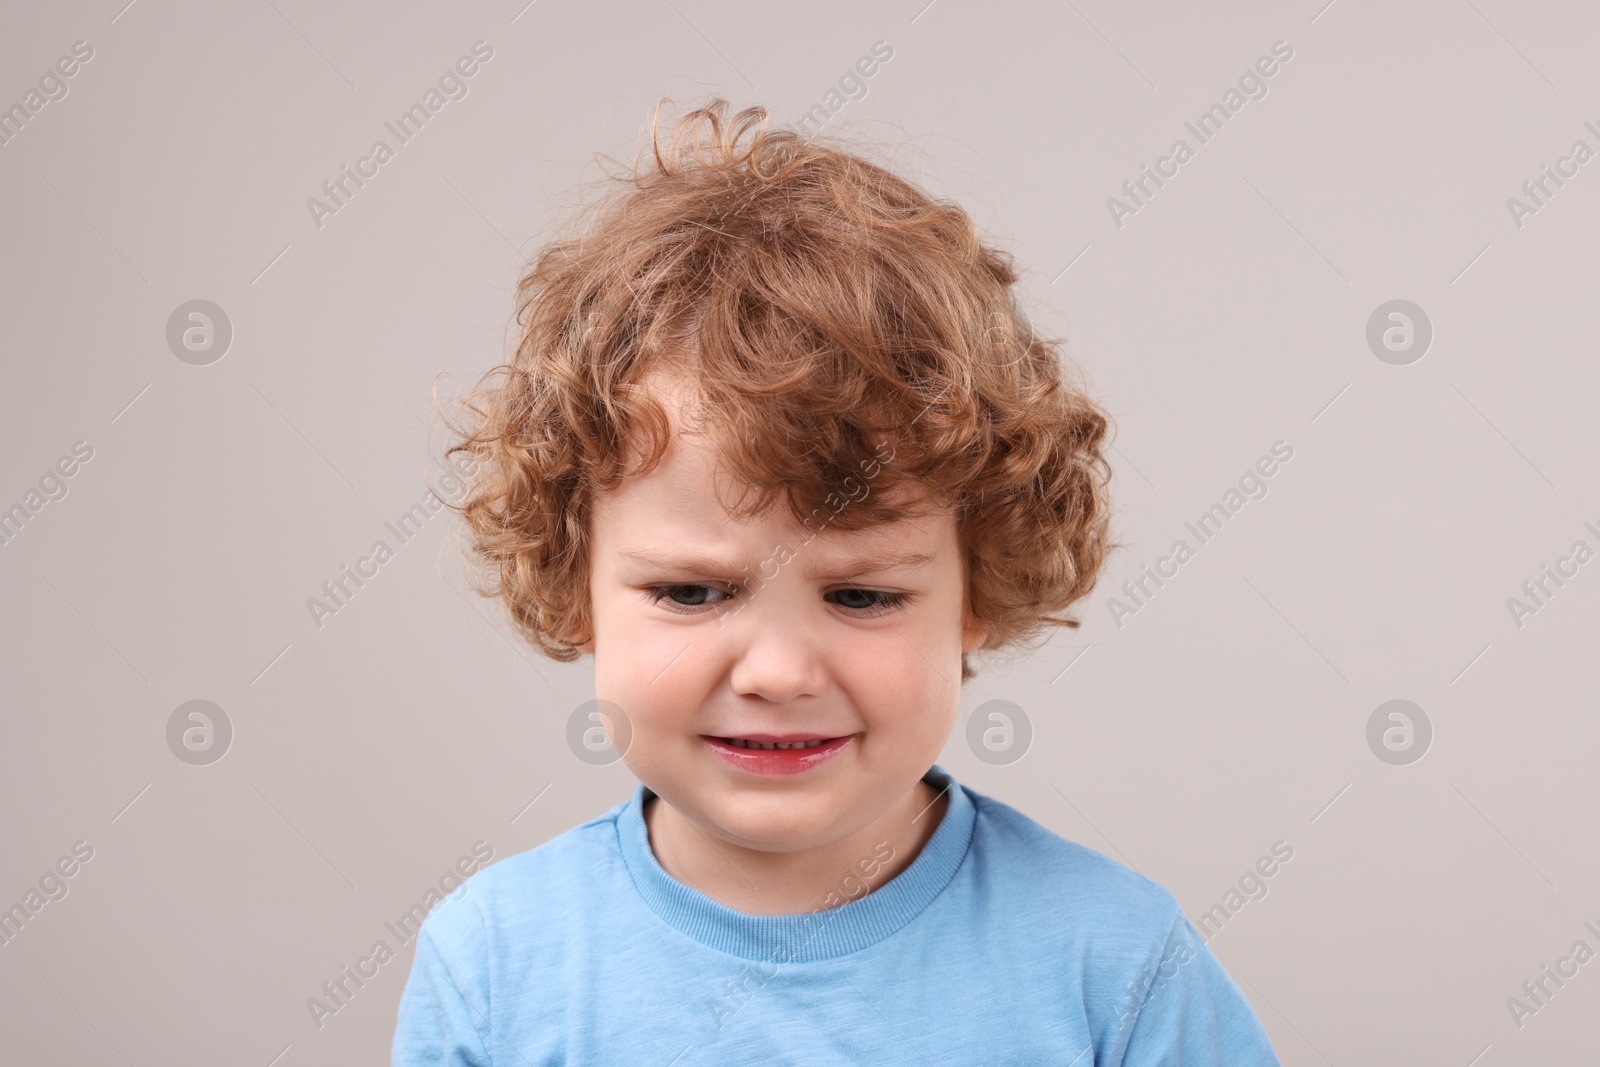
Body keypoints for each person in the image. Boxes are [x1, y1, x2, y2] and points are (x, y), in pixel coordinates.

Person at [393, 98, 1281, 1066]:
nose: (777, 672)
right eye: (691, 593)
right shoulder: (494, 965)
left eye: (861, 596)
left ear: (977, 590)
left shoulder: (1112, 966)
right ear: (574, 583)